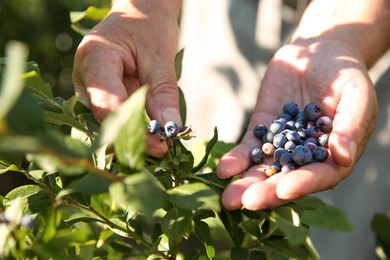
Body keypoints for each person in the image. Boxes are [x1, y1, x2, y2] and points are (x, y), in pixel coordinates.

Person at [72, 0, 390, 211]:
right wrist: (145, 6)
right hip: (219, 23)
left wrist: (346, 36)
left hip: (363, 22)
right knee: (183, 192)